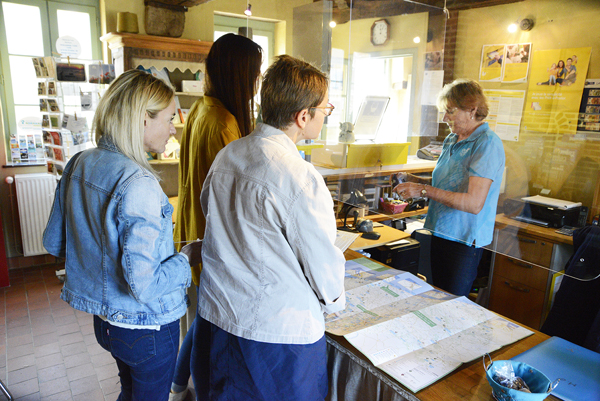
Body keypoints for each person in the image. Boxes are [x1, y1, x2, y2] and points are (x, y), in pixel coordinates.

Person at [192, 55, 346, 400]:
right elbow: (321, 263)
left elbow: (212, 218)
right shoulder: (299, 176)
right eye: (326, 109)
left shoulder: (228, 155)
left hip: (219, 315)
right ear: (303, 116)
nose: (325, 115)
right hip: (277, 335)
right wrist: (335, 303)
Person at [42, 69, 202, 401]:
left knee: (130, 392)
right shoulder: (138, 182)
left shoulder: (79, 162)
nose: (174, 129)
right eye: (170, 118)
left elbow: (54, 242)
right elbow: (144, 285)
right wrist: (185, 259)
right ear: (144, 118)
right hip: (147, 328)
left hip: (106, 324)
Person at [170, 33, 263, 401]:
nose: (256, 85)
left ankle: (177, 388)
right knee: (204, 328)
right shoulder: (225, 122)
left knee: (197, 323)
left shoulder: (201, 108)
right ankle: (182, 388)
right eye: (254, 76)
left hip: (194, 230)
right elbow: (236, 199)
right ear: (240, 75)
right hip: (214, 241)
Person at [392, 79, 505, 297]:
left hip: (462, 241)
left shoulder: (487, 144)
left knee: (451, 306)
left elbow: (473, 203)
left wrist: (422, 190)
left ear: (472, 110)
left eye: (450, 112)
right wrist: (412, 180)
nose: (445, 118)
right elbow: (446, 186)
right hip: (438, 231)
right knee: (434, 298)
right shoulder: (452, 139)